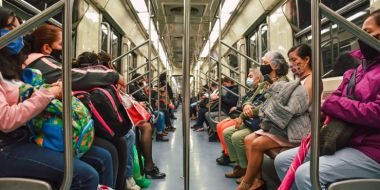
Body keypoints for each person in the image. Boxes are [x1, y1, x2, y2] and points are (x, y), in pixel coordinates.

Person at [0, 7, 113, 189]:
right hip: (7, 146)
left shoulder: (14, 67)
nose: (18, 35)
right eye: (10, 29)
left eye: (18, 29)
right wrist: (49, 93)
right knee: (86, 176)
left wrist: (52, 91)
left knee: (104, 157)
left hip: (27, 135)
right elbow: (6, 120)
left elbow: (27, 95)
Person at [275, 10, 380, 190]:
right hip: (344, 138)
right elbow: (334, 99)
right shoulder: (356, 71)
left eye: (368, 32)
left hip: (371, 148)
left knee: (306, 175)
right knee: (282, 161)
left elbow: (375, 113)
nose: (362, 37)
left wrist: (333, 105)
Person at [237, 44, 314, 190]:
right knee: (248, 139)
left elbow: (294, 109)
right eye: (290, 60)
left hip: (297, 127)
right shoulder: (296, 81)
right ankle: (257, 180)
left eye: (294, 60)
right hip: (285, 124)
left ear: (306, 60)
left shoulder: (311, 81)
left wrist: (271, 107)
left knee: (256, 144)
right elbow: (277, 102)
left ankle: (245, 183)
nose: (291, 64)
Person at [223, 51, 290, 183]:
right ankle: (242, 166)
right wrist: (247, 106)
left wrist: (243, 114)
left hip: (266, 122)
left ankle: (249, 171)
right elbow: (251, 99)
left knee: (237, 137)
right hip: (253, 118)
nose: (262, 66)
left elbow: (268, 106)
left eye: (265, 63)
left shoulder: (284, 84)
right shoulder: (265, 83)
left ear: (275, 66)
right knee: (227, 133)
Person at [216, 68, 262, 165]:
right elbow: (244, 104)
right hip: (240, 114)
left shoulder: (260, 91)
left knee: (225, 128)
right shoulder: (251, 91)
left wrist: (240, 114)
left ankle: (230, 157)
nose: (248, 79)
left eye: (250, 76)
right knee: (220, 126)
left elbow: (252, 108)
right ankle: (227, 154)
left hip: (248, 118)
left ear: (258, 79)